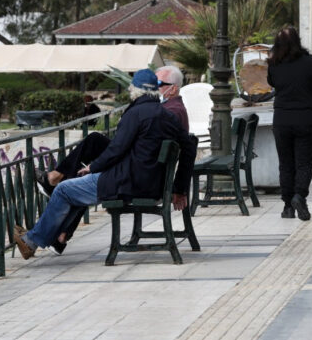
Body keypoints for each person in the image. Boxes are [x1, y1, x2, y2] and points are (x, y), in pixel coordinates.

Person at [14, 69, 197, 260]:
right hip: (152, 184)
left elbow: (117, 149)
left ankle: (32, 241)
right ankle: (51, 238)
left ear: (135, 90)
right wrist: (179, 188)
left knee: (63, 190)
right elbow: (190, 149)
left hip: (127, 184)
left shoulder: (136, 113)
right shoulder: (167, 115)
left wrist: (93, 167)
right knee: (72, 188)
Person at [266, 26, 312, 221]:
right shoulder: (311, 62)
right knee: (305, 162)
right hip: (306, 118)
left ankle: (287, 206)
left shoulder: (274, 65)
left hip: (282, 119)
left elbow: (272, 84)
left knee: (286, 164)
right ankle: (299, 196)